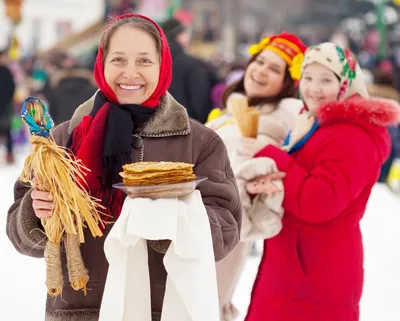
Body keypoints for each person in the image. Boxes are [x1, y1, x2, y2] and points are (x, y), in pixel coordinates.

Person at [6, 13, 241, 321]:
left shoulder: (200, 142)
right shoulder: (60, 140)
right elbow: (22, 238)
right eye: (118, 60)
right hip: (82, 311)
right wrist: (36, 213)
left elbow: (226, 232)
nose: (130, 73)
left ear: (163, 65)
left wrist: (170, 217)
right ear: (102, 64)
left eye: (144, 61)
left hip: (165, 312)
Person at [241, 42, 400, 321]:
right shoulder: (314, 123)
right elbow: (302, 180)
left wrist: (272, 156)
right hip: (296, 261)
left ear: (346, 84)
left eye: (326, 80)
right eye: (309, 78)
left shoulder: (351, 135)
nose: (313, 88)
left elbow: (319, 201)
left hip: (317, 270)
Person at [206, 32, 307, 321]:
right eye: (259, 61)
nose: (261, 70)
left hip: (224, 232)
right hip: (203, 225)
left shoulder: (274, 122)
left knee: (206, 308)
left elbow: (254, 175)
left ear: (288, 83)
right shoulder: (240, 111)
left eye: (274, 69)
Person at [160, 17, 217, 123]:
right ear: (179, 36)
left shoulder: (153, 62)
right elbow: (200, 102)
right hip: (186, 128)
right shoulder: (192, 64)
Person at [0, 48, 16, 164]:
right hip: (5, 106)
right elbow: (12, 88)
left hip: (5, 106)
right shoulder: (6, 71)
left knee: (7, 131)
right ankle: (9, 155)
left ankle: (9, 155)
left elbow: (12, 88)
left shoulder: (6, 70)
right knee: (7, 131)